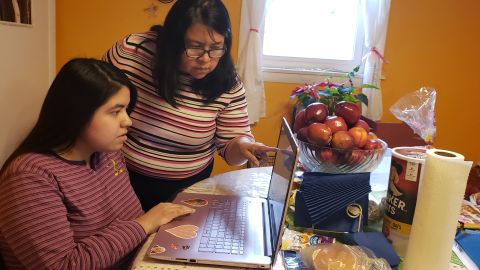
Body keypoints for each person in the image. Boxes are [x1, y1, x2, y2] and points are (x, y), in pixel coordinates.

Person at [0, 58, 195, 269]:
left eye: (126, 109)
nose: (127, 121)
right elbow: (63, 266)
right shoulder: (30, 178)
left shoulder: (106, 154)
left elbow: (128, 225)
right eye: (115, 111)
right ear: (77, 113)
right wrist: (145, 224)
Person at [103, 0, 276, 211]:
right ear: (173, 40)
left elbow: (230, 145)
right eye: (194, 47)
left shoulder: (228, 83)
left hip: (187, 189)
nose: (205, 59)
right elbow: (97, 104)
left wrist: (242, 146)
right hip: (119, 180)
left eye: (216, 48)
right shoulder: (131, 54)